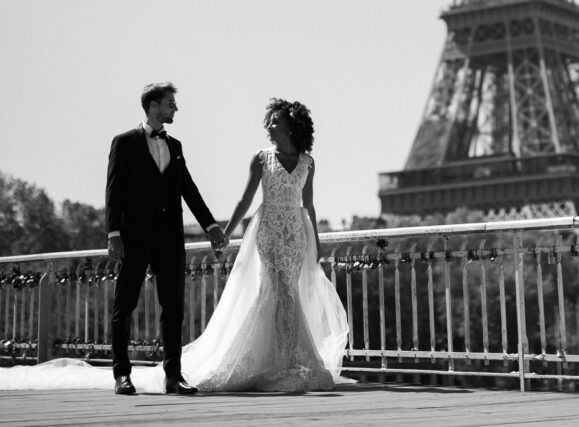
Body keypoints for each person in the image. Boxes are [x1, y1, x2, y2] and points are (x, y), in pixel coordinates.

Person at [0, 96, 348, 395]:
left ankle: (286, 359)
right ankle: (284, 360)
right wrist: (222, 232)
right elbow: (244, 200)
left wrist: (314, 243)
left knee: (285, 293)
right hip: (268, 232)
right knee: (278, 291)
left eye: (275, 122)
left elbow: (309, 205)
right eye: (269, 121)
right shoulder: (261, 158)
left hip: (294, 235)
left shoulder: (307, 162)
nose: (268, 127)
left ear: (291, 126)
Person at [106, 81, 229, 395]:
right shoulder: (124, 142)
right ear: (153, 106)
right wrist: (114, 234)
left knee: (173, 308)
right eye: (170, 103)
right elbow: (114, 191)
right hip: (134, 238)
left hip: (170, 239)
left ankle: (173, 376)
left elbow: (188, 188)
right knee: (125, 305)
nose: (175, 108)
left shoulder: (175, 145)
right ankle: (122, 374)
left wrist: (211, 226)